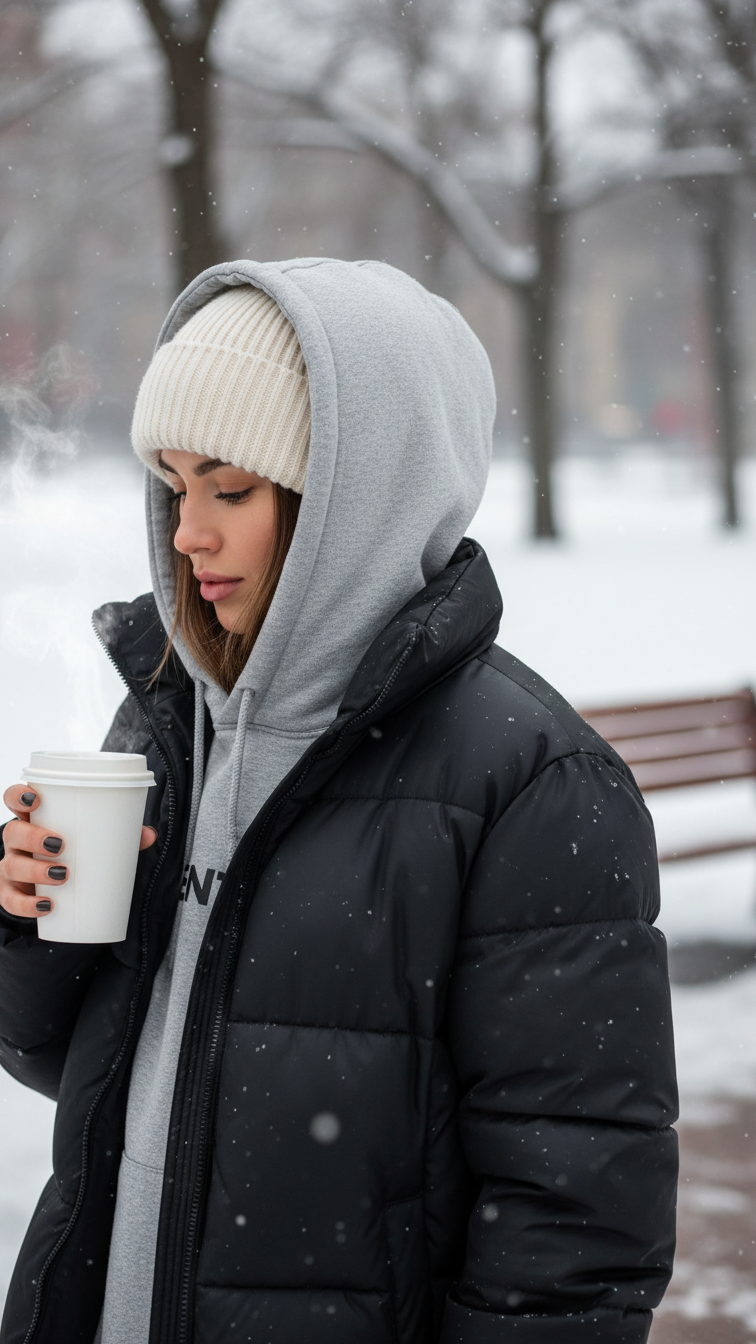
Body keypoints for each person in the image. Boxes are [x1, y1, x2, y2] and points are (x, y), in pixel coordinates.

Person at [0, 259, 677, 1344]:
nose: (187, 535)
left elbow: (572, 1226)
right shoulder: (173, 724)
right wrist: (34, 923)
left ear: (354, 500)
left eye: (231, 489)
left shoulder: (532, 783)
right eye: (175, 487)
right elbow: (73, 1073)